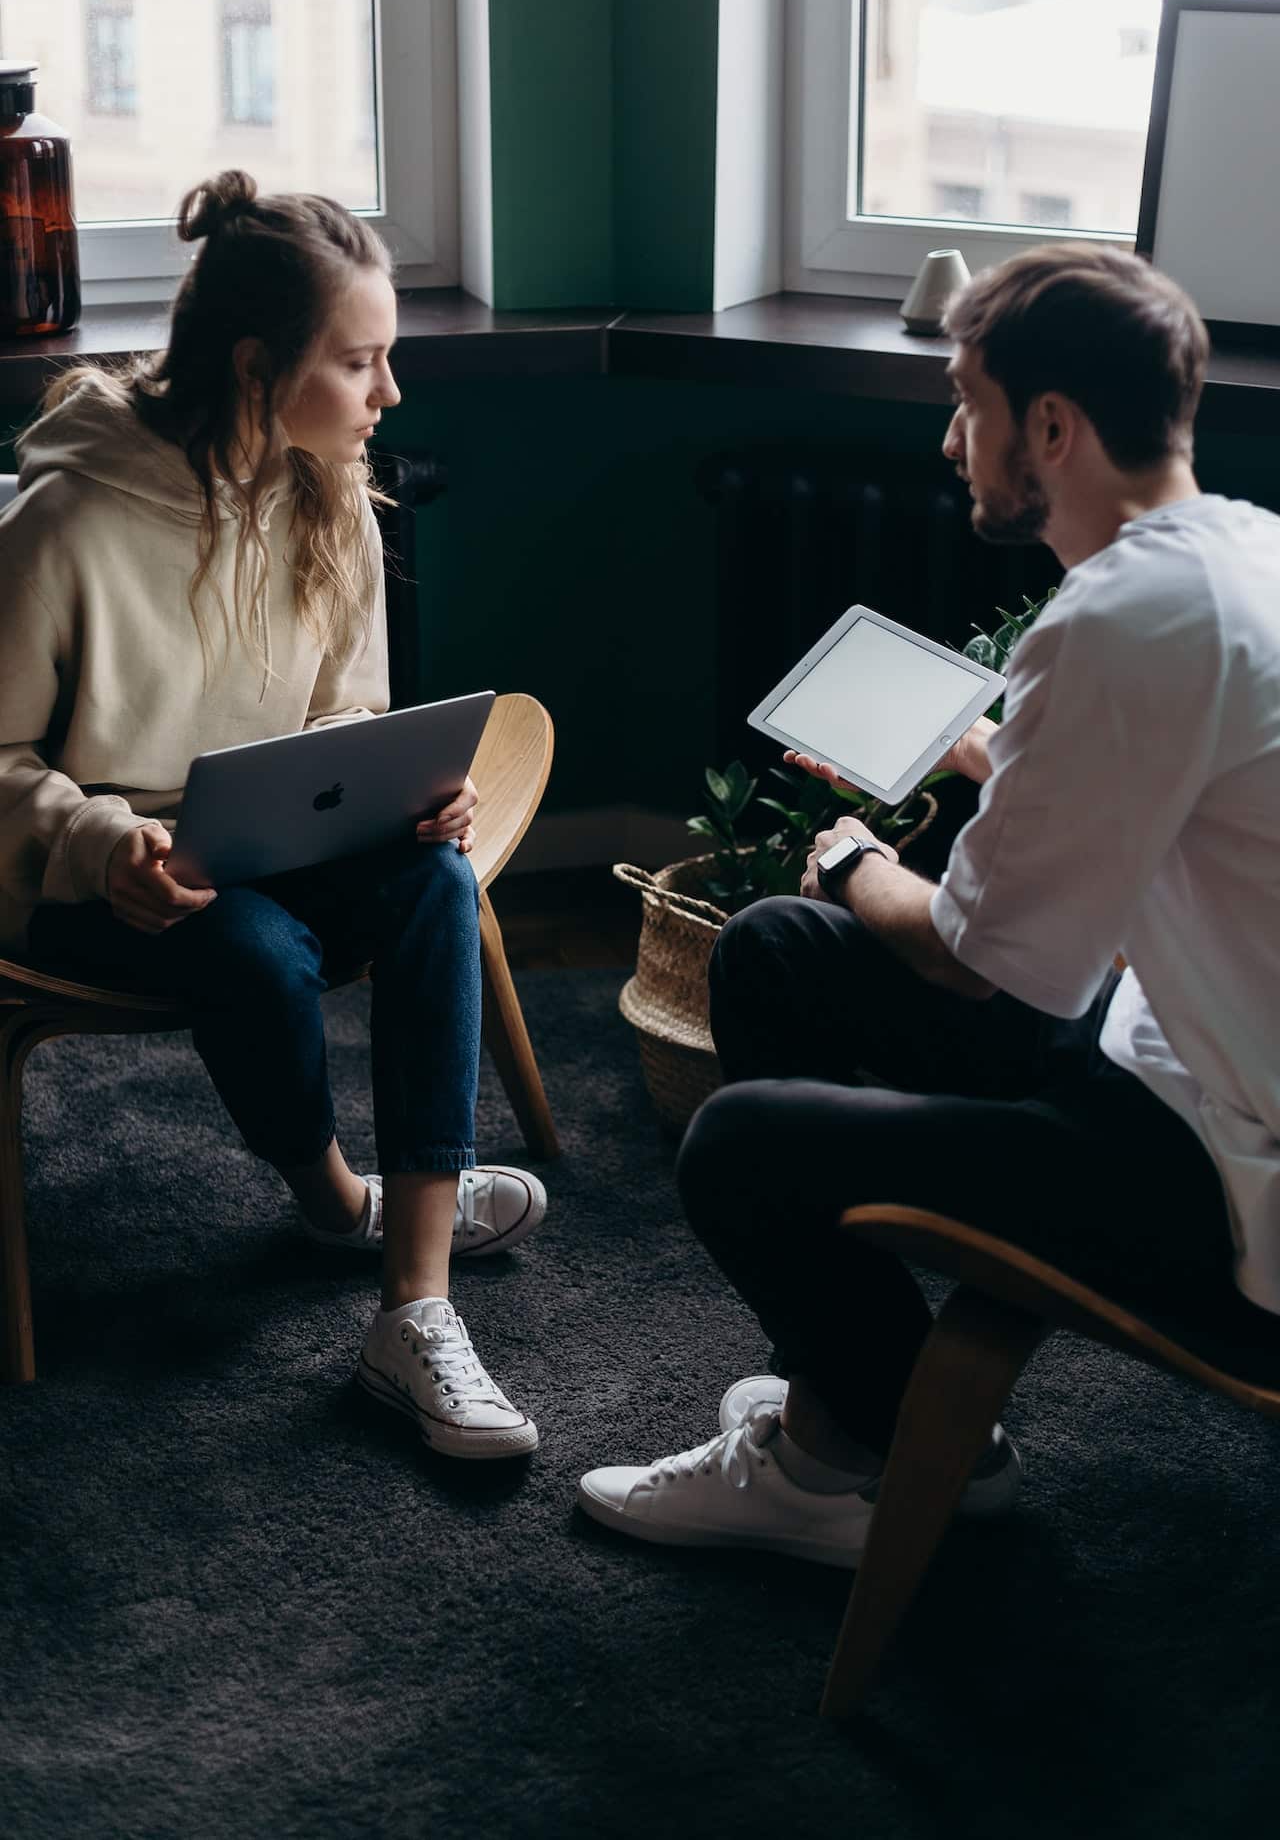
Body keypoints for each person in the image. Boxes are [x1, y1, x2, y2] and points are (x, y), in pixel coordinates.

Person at [578, 242, 1280, 1563]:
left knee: (738, 1140)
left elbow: (975, 965)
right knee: (779, 952)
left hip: (1227, 1183)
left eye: (970, 405)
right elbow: (1152, 788)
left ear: (1053, 427)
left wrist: (854, 859)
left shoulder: (1119, 620)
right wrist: (983, 751)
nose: (957, 442)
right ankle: (867, 1417)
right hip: (1178, 1058)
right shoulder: (1238, 558)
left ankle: (864, 1456)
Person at [0, 171, 546, 1461]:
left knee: (435, 883)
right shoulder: (67, 517)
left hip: (272, 846)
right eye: (361, 363)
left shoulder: (330, 486)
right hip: (102, 884)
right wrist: (100, 845)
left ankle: (414, 1309)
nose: (389, 394)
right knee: (251, 947)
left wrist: (407, 792)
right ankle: (335, 1198)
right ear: (257, 366)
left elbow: (339, 722)